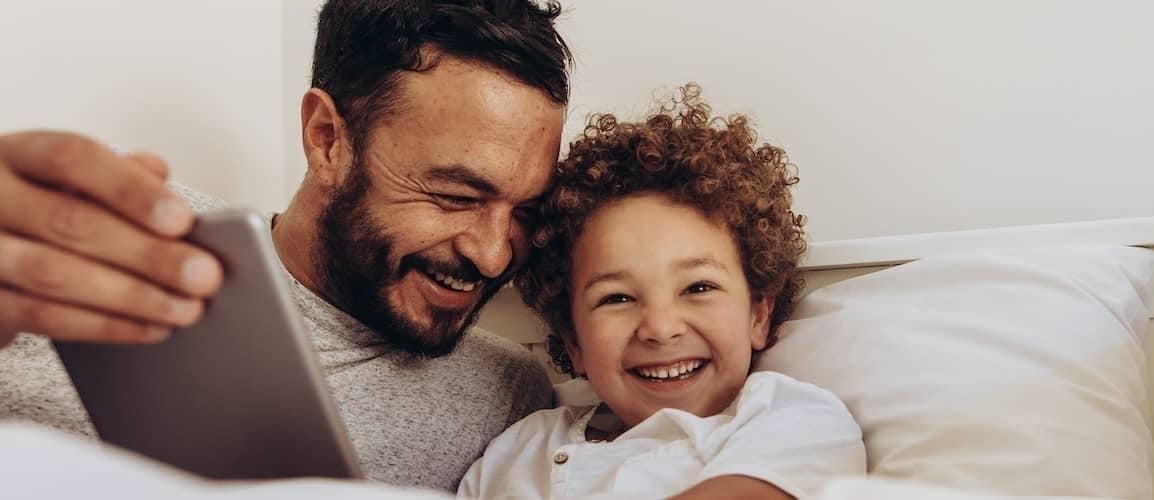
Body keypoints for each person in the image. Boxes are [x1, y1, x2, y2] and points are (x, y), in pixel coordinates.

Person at [0, 0, 571, 491]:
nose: (495, 256)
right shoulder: (106, 240)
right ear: (326, 140)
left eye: (525, 210)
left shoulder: (511, 395)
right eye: (454, 195)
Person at [457, 85, 866, 499]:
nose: (660, 327)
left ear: (758, 315)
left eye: (698, 287)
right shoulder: (521, 446)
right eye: (616, 298)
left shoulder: (784, 415)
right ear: (574, 342)